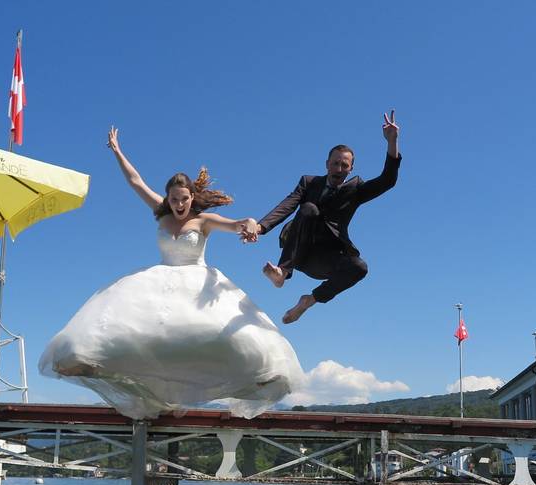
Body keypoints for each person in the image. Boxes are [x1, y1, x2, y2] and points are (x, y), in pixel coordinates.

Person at [39, 127, 304, 420]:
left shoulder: (204, 221)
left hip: (197, 282)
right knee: (140, 334)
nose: (179, 205)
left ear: (192, 197)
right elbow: (136, 181)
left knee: (215, 335)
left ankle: (259, 377)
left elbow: (237, 223)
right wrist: (117, 151)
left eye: (184, 199)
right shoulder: (161, 213)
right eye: (174, 199)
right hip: (160, 279)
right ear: (168, 198)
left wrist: (251, 225)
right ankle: (96, 365)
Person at [245, 111, 401, 324]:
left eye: (344, 165)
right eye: (335, 163)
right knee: (308, 208)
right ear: (327, 163)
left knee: (359, 267)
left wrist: (392, 142)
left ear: (351, 168)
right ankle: (283, 271)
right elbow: (288, 205)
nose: (339, 169)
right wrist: (261, 227)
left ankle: (309, 300)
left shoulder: (355, 190)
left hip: (325, 260)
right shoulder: (309, 183)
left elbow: (387, 181)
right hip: (300, 250)